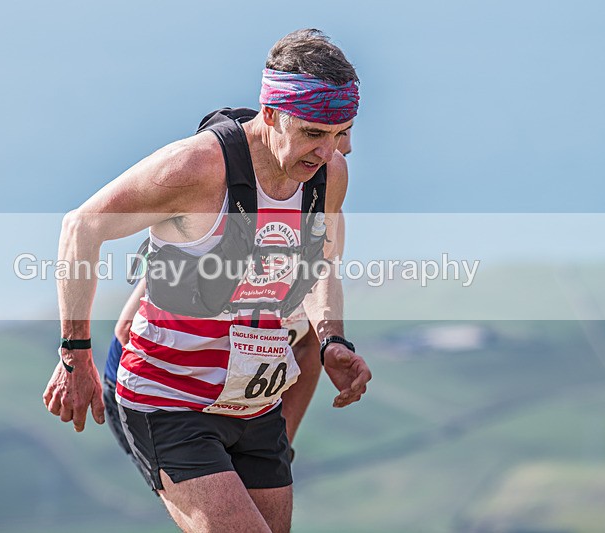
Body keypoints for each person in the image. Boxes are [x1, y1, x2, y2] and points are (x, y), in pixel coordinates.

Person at [43, 29, 371, 533]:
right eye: (313, 133)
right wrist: (74, 352)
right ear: (271, 114)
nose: (329, 152)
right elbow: (81, 227)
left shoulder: (329, 175)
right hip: (168, 400)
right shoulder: (196, 167)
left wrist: (333, 340)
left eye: (341, 133)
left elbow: (321, 265)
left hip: (254, 407)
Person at [102, 130, 352, 455]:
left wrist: (280, 447)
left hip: (239, 406)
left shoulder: (322, 223)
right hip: (157, 392)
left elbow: (309, 342)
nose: (332, 153)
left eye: (342, 142)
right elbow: (127, 327)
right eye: (322, 135)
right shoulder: (233, 221)